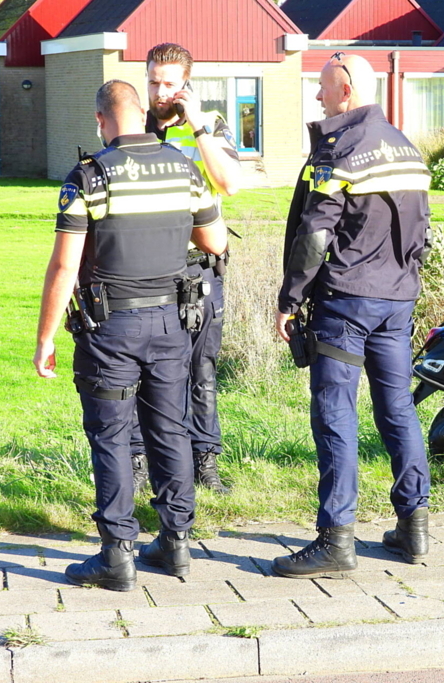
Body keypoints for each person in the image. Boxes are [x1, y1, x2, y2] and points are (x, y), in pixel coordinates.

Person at [34, 79, 227, 591]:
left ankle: (117, 555)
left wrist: (45, 338)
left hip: (109, 327)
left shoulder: (89, 176)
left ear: (101, 120)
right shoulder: (183, 168)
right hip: (172, 323)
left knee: (113, 436)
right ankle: (176, 543)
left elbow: (63, 265)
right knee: (172, 430)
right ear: (141, 115)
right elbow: (214, 238)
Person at [272, 53, 433, 579]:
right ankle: (414, 527)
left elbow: (316, 234)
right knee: (398, 410)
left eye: (321, 88)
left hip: (346, 303)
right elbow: (422, 233)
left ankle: (335, 540)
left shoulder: (337, 153)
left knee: (334, 415)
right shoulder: (408, 148)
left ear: (344, 89)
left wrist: (290, 298)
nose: (318, 98)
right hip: (396, 300)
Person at [130, 42, 242, 495]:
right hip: (141, 268)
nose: (160, 91)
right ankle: (138, 462)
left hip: (198, 269)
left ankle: (205, 461)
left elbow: (230, 183)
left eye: (170, 84)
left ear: (187, 85)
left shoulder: (211, 125)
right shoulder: (131, 125)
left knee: (202, 370)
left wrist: (197, 127)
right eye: (154, 81)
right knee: (138, 371)